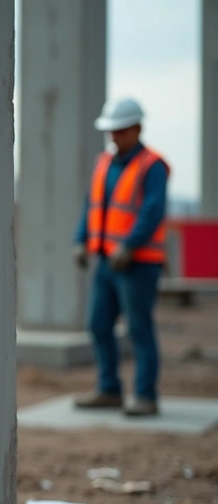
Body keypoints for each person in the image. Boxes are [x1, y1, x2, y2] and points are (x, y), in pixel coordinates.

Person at [72, 97, 170, 417]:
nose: (114, 136)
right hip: (107, 262)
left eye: (120, 130)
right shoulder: (104, 163)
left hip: (138, 263)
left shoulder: (152, 165)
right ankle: (109, 389)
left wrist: (130, 244)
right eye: (111, 130)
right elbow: (93, 205)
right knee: (99, 325)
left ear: (137, 128)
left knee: (139, 329)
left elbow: (153, 210)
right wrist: (80, 240)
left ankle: (145, 395)